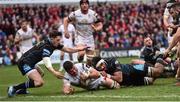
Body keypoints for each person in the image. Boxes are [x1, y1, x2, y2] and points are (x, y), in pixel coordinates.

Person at [7, 31, 88, 97]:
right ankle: (14, 88)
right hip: (24, 62)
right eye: (57, 40)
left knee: (40, 74)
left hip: (30, 61)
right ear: (52, 39)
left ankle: (22, 89)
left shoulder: (53, 43)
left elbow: (68, 49)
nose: (59, 42)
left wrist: (79, 49)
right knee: (39, 82)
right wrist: (54, 72)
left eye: (59, 40)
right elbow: (47, 63)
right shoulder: (46, 47)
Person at [64, 0, 103, 66]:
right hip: (80, 37)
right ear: (80, 5)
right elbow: (66, 20)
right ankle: (79, 62)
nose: (84, 5)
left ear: (88, 5)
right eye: (82, 4)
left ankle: (86, 72)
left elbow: (100, 24)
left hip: (90, 37)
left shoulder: (93, 14)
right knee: (81, 54)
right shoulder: (75, 14)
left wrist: (96, 29)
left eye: (86, 4)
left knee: (90, 60)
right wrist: (66, 31)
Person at [92, 57, 168, 86]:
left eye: (102, 64)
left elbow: (119, 79)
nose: (102, 67)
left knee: (158, 72)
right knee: (151, 81)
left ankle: (159, 59)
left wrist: (107, 76)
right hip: (131, 81)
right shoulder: (100, 72)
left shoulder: (112, 61)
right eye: (99, 67)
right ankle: (167, 69)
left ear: (103, 61)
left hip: (134, 69)